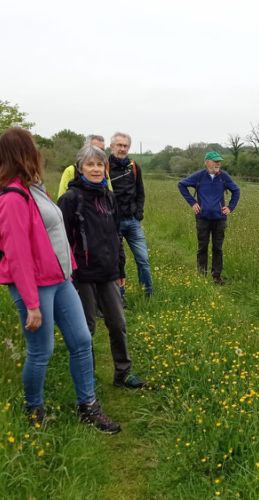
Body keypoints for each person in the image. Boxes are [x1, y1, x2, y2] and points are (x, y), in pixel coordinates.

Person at [0, 128, 120, 433]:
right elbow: (17, 255)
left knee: (82, 341)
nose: (39, 153)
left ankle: (88, 406)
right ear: (23, 153)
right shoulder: (13, 197)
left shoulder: (34, 188)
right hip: (35, 286)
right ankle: (34, 411)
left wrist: (69, 268)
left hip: (60, 279)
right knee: (42, 351)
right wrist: (31, 304)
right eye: (33, 147)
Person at [58, 144, 147, 389]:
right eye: (90, 164)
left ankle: (123, 373)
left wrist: (121, 269)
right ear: (80, 168)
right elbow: (62, 240)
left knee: (118, 325)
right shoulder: (70, 199)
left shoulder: (109, 197)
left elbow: (116, 235)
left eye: (100, 164)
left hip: (109, 273)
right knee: (86, 329)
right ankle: (88, 380)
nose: (96, 169)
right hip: (82, 275)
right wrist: (68, 276)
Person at [178, 151, 240, 284]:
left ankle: (216, 276)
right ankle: (201, 276)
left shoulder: (224, 177)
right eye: (215, 161)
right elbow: (181, 184)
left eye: (219, 161)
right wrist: (193, 203)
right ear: (207, 162)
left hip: (220, 219)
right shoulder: (199, 176)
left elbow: (236, 190)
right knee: (202, 247)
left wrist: (230, 207)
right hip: (202, 218)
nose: (218, 163)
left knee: (218, 248)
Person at [108, 132, 153, 297]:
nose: (122, 149)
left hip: (133, 221)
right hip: (114, 222)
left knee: (143, 259)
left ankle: (148, 294)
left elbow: (140, 192)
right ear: (112, 147)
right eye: (119, 145)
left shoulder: (134, 167)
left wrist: (139, 212)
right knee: (117, 262)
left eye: (125, 146)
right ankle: (119, 297)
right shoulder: (104, 167)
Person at [57, 135, 112, 199]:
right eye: (94, 148)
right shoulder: (71, 170)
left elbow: (110, 193)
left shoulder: (104, 172)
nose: (98, 152)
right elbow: (62, 196)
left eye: (102, 150)